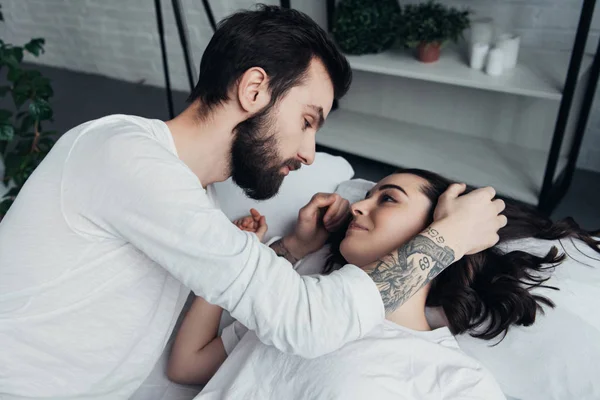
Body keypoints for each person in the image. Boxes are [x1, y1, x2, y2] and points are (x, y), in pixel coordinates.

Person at [0, 6, 505, 399]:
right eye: (308, 121)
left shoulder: (194, 192)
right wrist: (445, 240)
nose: (310, 154)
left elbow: (239, 287)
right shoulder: (124, 157)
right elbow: (307, 325)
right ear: (255, 88)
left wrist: (286, 248)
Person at [167, 169, 599, 399]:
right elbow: (187, 365)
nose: (359, 208)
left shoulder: (456, 380)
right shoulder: (304, 298)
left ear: (443, 228)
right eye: (365, 196)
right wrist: (277, 250)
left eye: (387, 198)